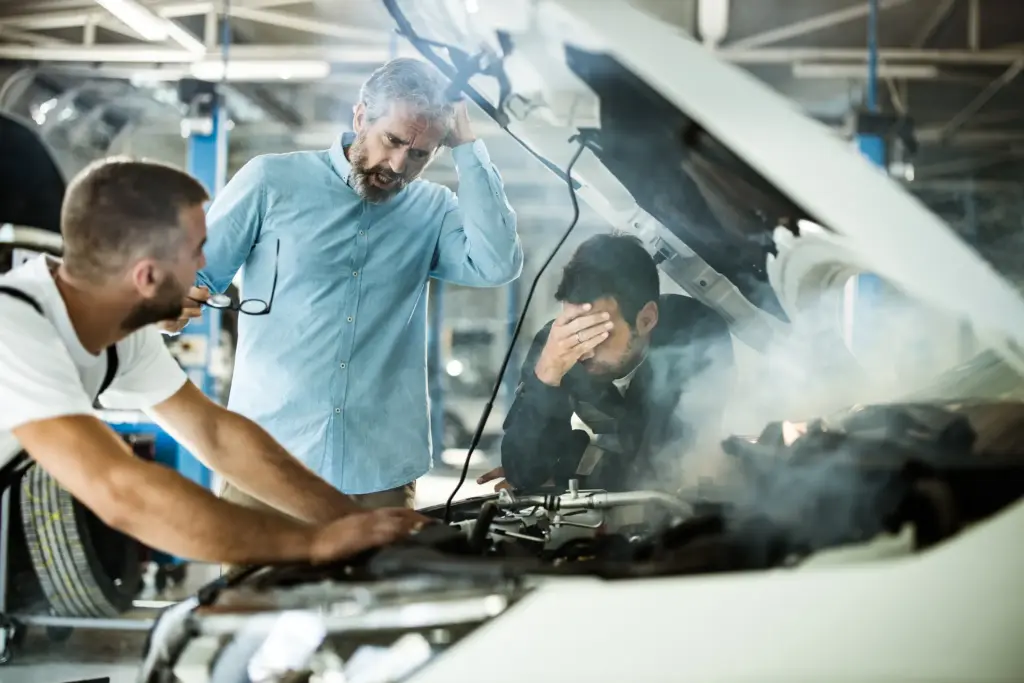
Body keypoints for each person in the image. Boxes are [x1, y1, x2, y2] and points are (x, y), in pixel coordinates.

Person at [0, 157, 427, 568]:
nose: (205, 265)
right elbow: (121, 491)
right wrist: (313, 543)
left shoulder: (121, 331)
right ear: (146, 277)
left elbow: (215, 434)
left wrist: (351, 521)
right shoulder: (14, 329)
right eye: (196, 251)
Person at [162, 57, 522, 511]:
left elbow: (496, 265)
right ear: (359, 117)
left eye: (419, 154)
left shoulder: (434, 208)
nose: (396, 165)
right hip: (268, 463)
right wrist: (170, 307)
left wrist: (468, 147)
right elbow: (191, 278)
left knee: (384, 585)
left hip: (380, 474)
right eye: (391, 140)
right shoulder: (271, 181)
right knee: (256, 585)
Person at [479, 233, 735, 493]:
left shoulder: (693, 333)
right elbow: (522, 472)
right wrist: (546, 376)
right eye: (575, 327)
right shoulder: (557, 344)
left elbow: (668, 465)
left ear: (646, 319)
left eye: (599, 333)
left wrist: (567, 468)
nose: (583, 351)